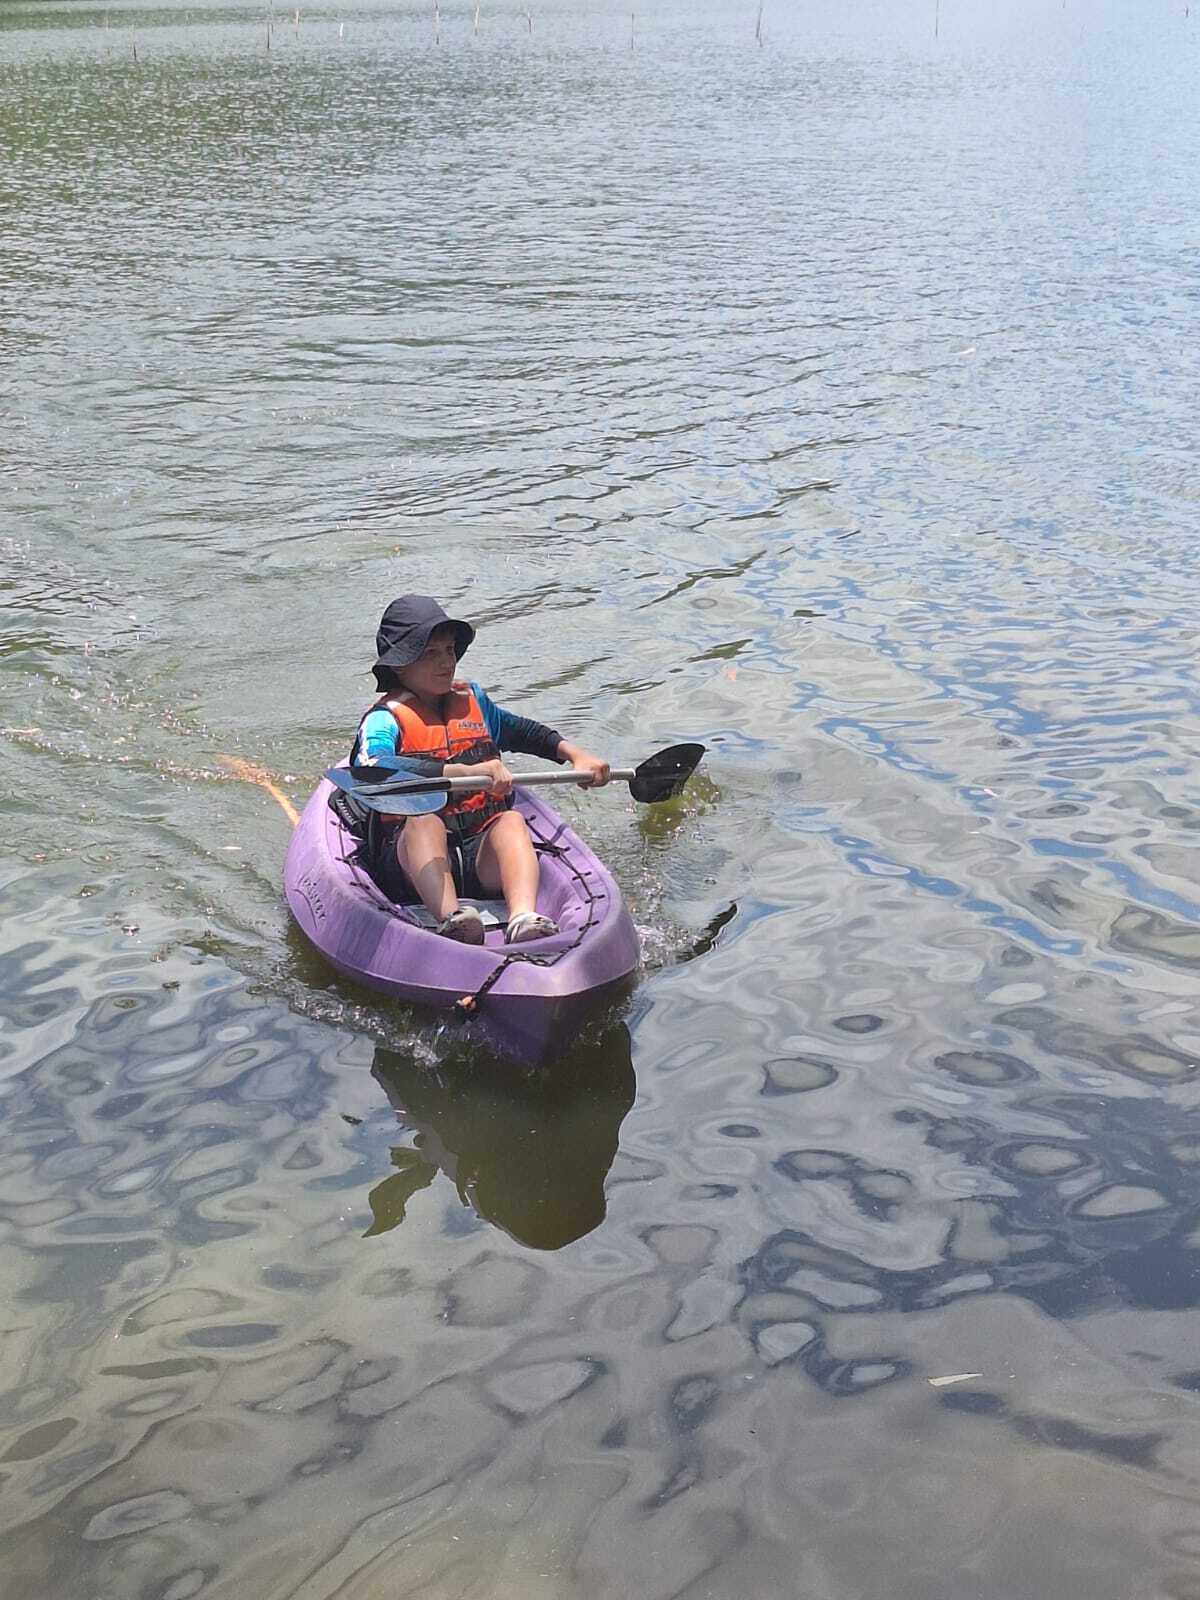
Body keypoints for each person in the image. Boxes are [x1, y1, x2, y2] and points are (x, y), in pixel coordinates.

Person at [349, 595, 610, 945]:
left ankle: (523, 918)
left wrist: (575, 755)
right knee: (424, 819)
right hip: (411, 865)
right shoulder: (384, 719)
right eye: (430, 653)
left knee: (511, 820)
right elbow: (372, 767)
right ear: (399, 665)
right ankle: (453, 919)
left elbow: (522, 732)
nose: (446, 662)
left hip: (476, 855)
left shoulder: (473, 701)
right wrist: (459, 774)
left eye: (449, 650)